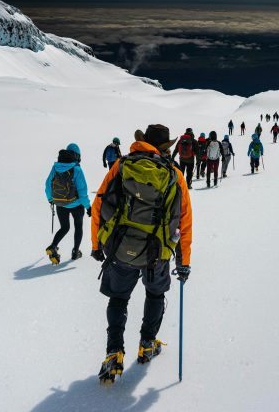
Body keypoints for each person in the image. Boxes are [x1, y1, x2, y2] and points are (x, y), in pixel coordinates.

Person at [90, 125, 192, 383]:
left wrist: (95, 245)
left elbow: (98, 204)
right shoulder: (174, 175)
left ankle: (114, 353)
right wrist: (184, 262)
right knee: (155, 293)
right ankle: (147, 344)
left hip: (119, 248)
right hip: (156, 254)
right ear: (165, 147)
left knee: (118, 299)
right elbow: (184, 221)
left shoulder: (122, 166)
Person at [45, 143, 91, 264]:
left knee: (64, 227)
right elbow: (82, 192)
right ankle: (76, 252)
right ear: (77, 156)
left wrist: (51, 199)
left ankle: (53, 246)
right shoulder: (77, 169)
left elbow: (47, 184)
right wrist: (88, 207)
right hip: (76, 205)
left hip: (60, 204)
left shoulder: (56, 167)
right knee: (78, 226)